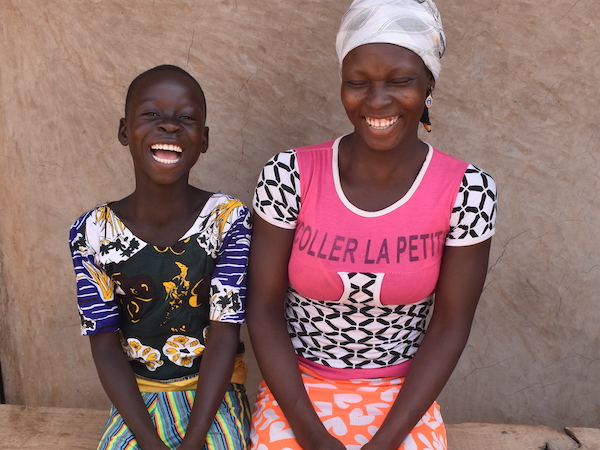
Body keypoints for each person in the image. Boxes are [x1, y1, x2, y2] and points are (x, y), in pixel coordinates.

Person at [246, 1, 497, 449]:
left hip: (404, 398)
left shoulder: (468, 191)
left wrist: (386, 442)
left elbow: (449, 326)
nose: (377, 101)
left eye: (400, 81)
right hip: (298, 392)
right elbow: (263, 311)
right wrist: (312, 436)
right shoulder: (289, 176)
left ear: (428, 85)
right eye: (358, 83)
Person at [69, 65, 251, 450]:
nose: (169, 126)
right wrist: (148, 440)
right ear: (124, 131)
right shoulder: (92, 233)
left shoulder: (228, 220)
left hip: (214, 395)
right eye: (151, 114)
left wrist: (195, 439)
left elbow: (224, 334)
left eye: (185, 118)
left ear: (203, 139)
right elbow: (104, 342)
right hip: (138, 402)